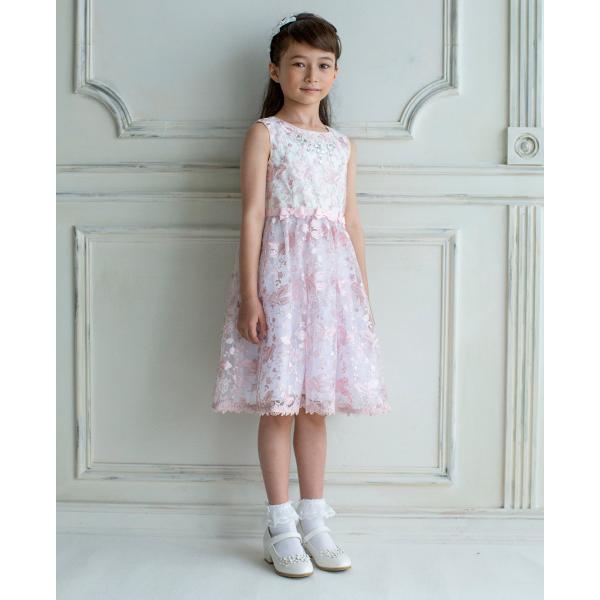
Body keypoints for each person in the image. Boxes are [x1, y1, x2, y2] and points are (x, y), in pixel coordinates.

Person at [212, 12, 391, 577]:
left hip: (331, 291)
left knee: (315, 407)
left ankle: (315, 519)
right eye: (299, 64)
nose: (311, 76)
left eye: (323, 65)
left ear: (335, 73)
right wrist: (250, 296)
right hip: (281, 287)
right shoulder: (266, 134)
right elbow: (252, 215)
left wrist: (360, 299)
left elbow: (351, 221)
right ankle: (279, 524)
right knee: (280, 406)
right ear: (276, 71)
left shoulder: (341, 146)